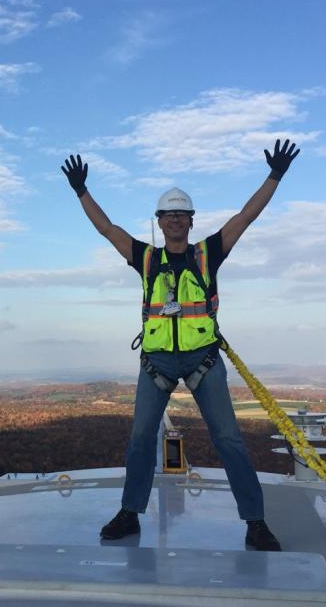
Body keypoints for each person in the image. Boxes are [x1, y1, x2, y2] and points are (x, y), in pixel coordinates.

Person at [60, 140, 299, 551]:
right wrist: (82, 191)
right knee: (139, 439)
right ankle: (130, 514)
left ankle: (255, 521)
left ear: (190, 221)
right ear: (159, 220)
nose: (174, 221)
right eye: (168, 215)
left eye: (181, 215)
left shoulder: (209, 254)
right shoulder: (146, 259)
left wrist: (274, 176)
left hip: (203, 359)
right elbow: (107, 229)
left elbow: (247, 216)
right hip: (157, 362)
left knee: (229, 439)